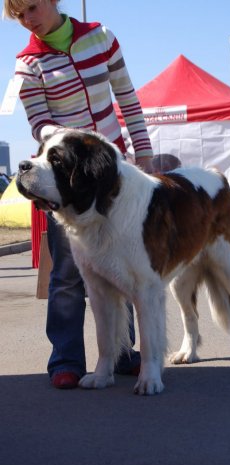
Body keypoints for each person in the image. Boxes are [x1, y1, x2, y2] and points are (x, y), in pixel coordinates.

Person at [3, 0, 154, 388]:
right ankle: (66, 359)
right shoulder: (26, 64)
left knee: (127, 268)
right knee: (68, 273)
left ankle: (122, 354)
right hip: (66, 180)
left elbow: (128, 99)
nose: (28, 20)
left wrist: (146, 153)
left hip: (115, 177)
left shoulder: (101, 37)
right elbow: (39, 125)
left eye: (32, 8)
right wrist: (79, 143)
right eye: (19, 16)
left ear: (53, 0)